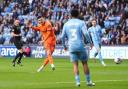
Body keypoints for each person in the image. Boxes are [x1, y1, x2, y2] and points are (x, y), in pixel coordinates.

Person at [61, 9, 95, 87]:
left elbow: (62, 36)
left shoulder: (66, 24)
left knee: (75, 65)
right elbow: (86, 33)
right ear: (78, 14)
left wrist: (64, 46)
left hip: (71, 46)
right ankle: (88, 81)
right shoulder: (81, 22)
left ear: (70, 15)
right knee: (84, 63)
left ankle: (78, 82)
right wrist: (90, 43)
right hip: (80, 45)